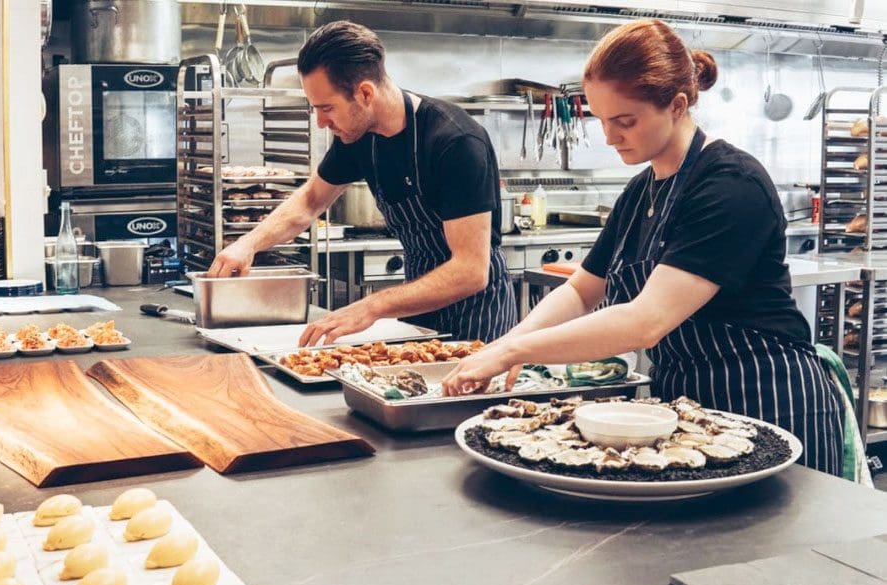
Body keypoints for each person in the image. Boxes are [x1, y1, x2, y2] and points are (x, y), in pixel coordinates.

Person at [442, 19, 844, 475]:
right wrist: (506, 343)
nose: (610, 137)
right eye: (601, 121)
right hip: (687, 411)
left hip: (769, 399)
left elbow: (645, 322)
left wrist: (516, 352)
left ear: (676, 105)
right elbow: (580, 292)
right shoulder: (640, 191)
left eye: (624, 121)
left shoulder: (730, 184)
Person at [208, 21, 516, 345]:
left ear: (365, 93)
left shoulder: (454, 142)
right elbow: (311, 200)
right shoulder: (358, 138)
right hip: (418, 308)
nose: (321, 122)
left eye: (327, 108)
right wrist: (248, 244)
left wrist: (371, 306)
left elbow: (470, 271)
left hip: (478, 318)